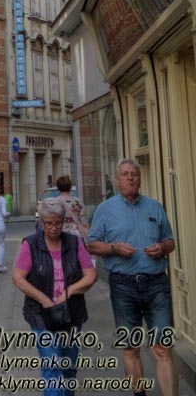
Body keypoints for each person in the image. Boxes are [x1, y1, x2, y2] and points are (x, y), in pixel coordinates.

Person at [87, 158, 177, 396]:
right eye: (125, 174)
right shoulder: (104, 210)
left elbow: (170, 241)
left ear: (139, 178)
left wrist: (162, 248)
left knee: (163, 348)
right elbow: (92, 245)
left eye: (133, 174)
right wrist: (114, 249)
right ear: (117, 180)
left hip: (157, 284)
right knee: (130, 348)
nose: (130, 178)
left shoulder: (155, 207)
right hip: (123, 287)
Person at [12, 198, 97, 393]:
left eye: (58, 222)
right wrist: (43, 299)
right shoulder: (31, 244)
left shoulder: (74, 243)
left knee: (68, 370)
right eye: (49, 223)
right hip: (42, 316)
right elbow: (17, 278)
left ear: (63, 221)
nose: (53, 228)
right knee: (52, 369)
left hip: (71, 314)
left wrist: (70, 291)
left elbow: (90, 275)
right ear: (41, 223)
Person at [38, 176, 89, 246]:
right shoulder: (78, 201)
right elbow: (84, 220)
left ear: (58, 188)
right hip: (77, 233)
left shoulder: (55, 202)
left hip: (60, 233)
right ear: (70, 187)